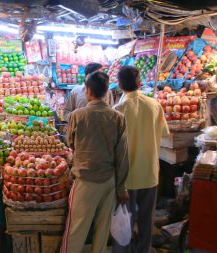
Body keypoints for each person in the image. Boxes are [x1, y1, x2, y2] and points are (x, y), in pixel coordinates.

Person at [61, 72, 129, 253]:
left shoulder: (77, 115)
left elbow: (71, 143)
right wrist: (121, 188)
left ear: (88, 91)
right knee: (102, 231)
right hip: (109, 181)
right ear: (106, 91)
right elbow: (122, 155)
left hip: (85, 180)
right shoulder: (118, 117)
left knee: (76, 230)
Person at [112, 66, 170, 253]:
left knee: (125, 220)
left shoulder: (117, 109)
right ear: (139, 82)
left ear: (119, 84)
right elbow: (163, 133)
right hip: (149, 172)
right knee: (146, 219)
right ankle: (144, 250)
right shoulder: (155, 105)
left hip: (126, 177)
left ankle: (124, 250)